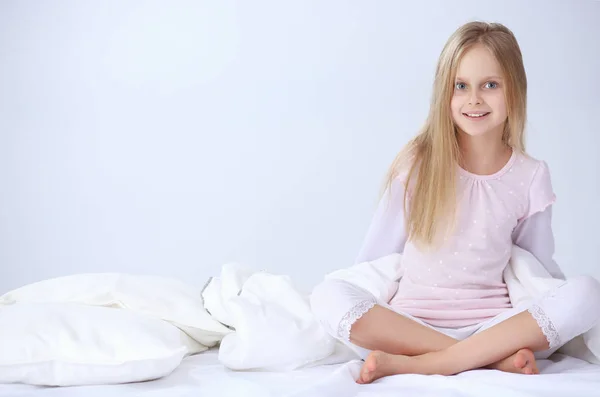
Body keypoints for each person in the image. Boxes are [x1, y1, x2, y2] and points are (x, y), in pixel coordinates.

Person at [309, 21, 600, 384]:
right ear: (444, 94)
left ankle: (433, 362)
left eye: (490, 85)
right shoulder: (418, 162)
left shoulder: (530, 175)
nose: (474, 99)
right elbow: (376, 256)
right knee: (326, 295)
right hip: (409, 328)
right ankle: (481, 361)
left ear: (515, 91)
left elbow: (535, 270)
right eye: (460, 86)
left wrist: (558, 310)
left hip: (496, 328)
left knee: (589, 292)